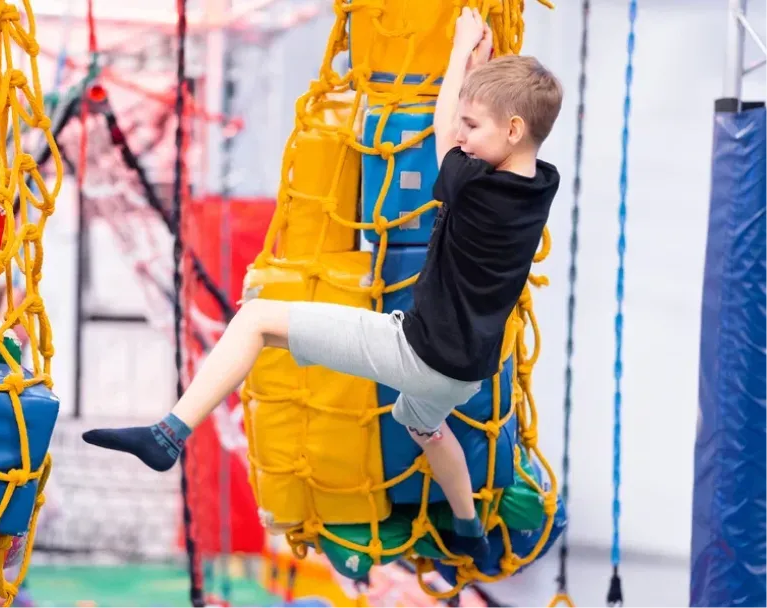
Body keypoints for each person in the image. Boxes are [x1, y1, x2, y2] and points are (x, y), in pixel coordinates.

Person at [82, 8, 563, 559]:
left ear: (513, 129)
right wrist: (483, 73)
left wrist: (457, 51)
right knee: (423, 427)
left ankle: (168, 434)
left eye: (475, 128)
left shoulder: (476, 187)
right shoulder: (537, 184)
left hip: (419, 353)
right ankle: (467, 528)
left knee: (257, 321)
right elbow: (482, 131)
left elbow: (441, 130)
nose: (466, 136)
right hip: (465, 373)